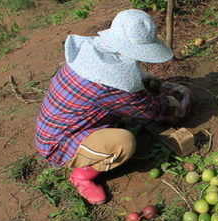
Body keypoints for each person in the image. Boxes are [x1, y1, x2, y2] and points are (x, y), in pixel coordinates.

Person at [35, 9, 190, 205]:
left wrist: (145, 82)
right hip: (59, 144)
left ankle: (93, 143)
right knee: (124, 142)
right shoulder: (112, 87)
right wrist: (172, 104)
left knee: (121, 118)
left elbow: (124, 79)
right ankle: (82, 175)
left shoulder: (91, 52)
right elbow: (151, 111)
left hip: (52, 128)